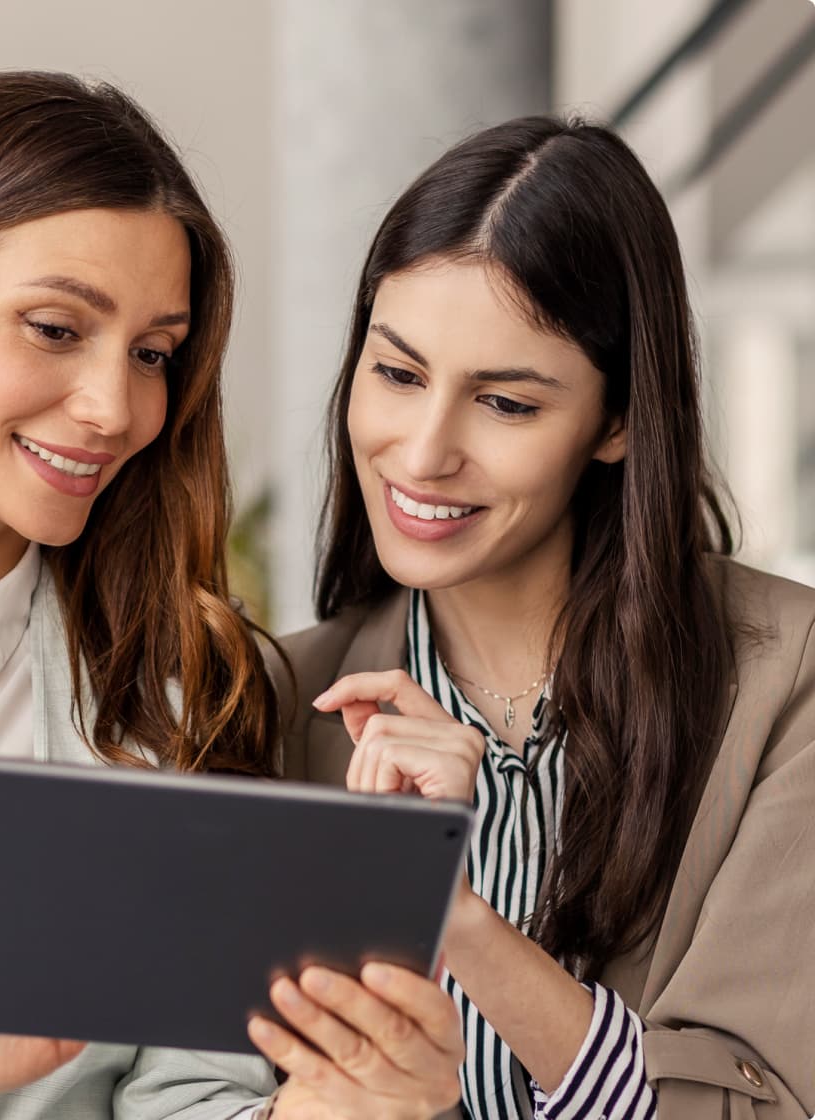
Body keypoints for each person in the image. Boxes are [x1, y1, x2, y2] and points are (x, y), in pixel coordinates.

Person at [0, 71, 462, 1120]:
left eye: (153, 353)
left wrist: (341, 1109)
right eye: (56, 329)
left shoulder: (189, 691)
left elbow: (189, 1094)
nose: (115, 407)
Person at [277, 115, 815, 1120]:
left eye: (505, 403)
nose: (424, 451)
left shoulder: (789, 685)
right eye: (397, 374)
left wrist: (459, 919)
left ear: (616, 420)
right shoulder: (274, 702)